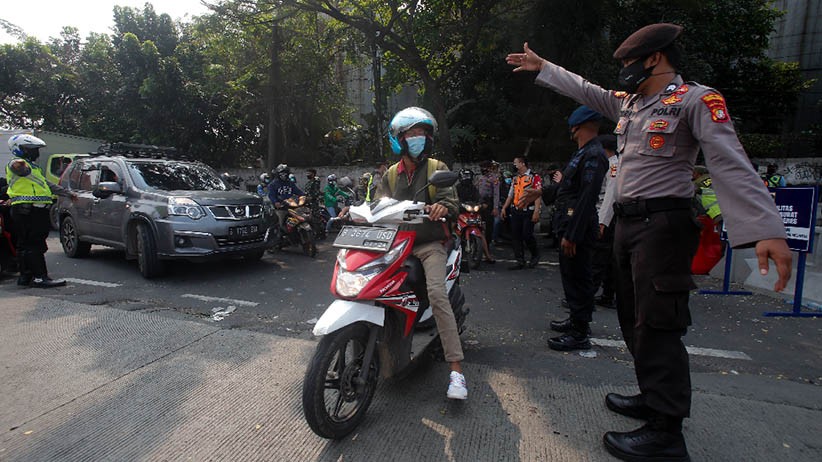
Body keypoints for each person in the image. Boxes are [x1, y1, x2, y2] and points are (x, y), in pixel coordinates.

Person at [507, 23, 792, 461]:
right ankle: (650, 396)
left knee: (659, 323)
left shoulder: (696, 100)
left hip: (664, 225)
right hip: (628, 225)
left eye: (626, 63)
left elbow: (729, 161)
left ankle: (666, 432)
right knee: (632, 316)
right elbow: (585, 90)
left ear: (654, 58)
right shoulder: (632, 104)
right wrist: (543, 66)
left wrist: (766, 228)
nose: (622, 71)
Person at [376, 106, 468, 400]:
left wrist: (443, 208)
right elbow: (378, 205)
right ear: (399, 139)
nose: (419, 138)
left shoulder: (437, 168)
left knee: (438, 295)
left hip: (429, 245)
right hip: (396, 244)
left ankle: (456, 372)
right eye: (413, 133)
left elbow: (451, 203)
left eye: (423, 133)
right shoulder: (391, 174)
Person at [541, 106, 609, 351]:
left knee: (579, 279)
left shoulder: (593, 155)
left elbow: (586, 198)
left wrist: (573, 234)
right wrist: (540, 192)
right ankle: (576, 321)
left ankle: (579, 333)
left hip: (576, 229)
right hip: (569, 226)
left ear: (576, 127)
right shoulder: (582, 154)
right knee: (572, 277)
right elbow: (565, 190)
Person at [5, 134, 77, 288]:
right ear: (20, 150)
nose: (36, 153)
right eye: (32, 149)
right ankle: (40, 277)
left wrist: (68, 193)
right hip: (28, 210)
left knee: (25, 245)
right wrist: (20, 162)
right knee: (34, 245)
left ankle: (25, 278)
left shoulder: (34, 169)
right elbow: (17, 167)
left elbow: (46, 184)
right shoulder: (17, 164)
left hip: (29, 211)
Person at [592, 134, 619, 309]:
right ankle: (607, 295)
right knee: (609, 261)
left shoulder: (614, 166)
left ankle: (588, 295)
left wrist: (602, 223)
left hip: (606, 218)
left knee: (598, 259)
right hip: (605, 217)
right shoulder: (609, 165)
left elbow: (610, 197)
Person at [500, 157, 542, 269]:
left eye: (516, 163)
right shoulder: (515, 178)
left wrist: (536, 211)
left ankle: (535, 255)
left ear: (522, 164)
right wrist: (504, 208)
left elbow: (537, 195)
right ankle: (520, 260)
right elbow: (511, 194)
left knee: (527, 234)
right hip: (516, 210)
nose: (514, 165)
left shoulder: (534, 177)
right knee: (515, 236)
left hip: (529, 210)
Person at [455, 168, 495, 263]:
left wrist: (481, 203)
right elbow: (454, 198)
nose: (466, 178)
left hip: (472, 212)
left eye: (468, 176)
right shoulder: (457, 188)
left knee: (481, 233)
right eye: (465, 176)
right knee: (451, 225)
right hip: (460, 212)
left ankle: (487, 255)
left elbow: (479, 198)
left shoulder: (473, 188)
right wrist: (458, 204)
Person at [269, 164, 304, 230]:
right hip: (281, 208)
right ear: (278, 174)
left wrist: (304, 196)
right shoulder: (273, 184)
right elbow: (271, 195)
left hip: (292, 205)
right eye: (282, 173)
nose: (284, 175)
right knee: (281, 224)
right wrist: (276, 202)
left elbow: (298, 191)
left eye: (285, 173)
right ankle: (280, 235)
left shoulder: (290, 183)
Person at [476, 161, 501, 246]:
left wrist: (495, 207)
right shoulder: (480, 178)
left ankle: (487, 244)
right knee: (478, 223)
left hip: (489, 203)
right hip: (479, 203)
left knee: (489, 225)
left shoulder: (494, 179)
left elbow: (496, 194)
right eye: (482, 167)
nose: (483, 169)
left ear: (489, 168)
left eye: (485, 167)